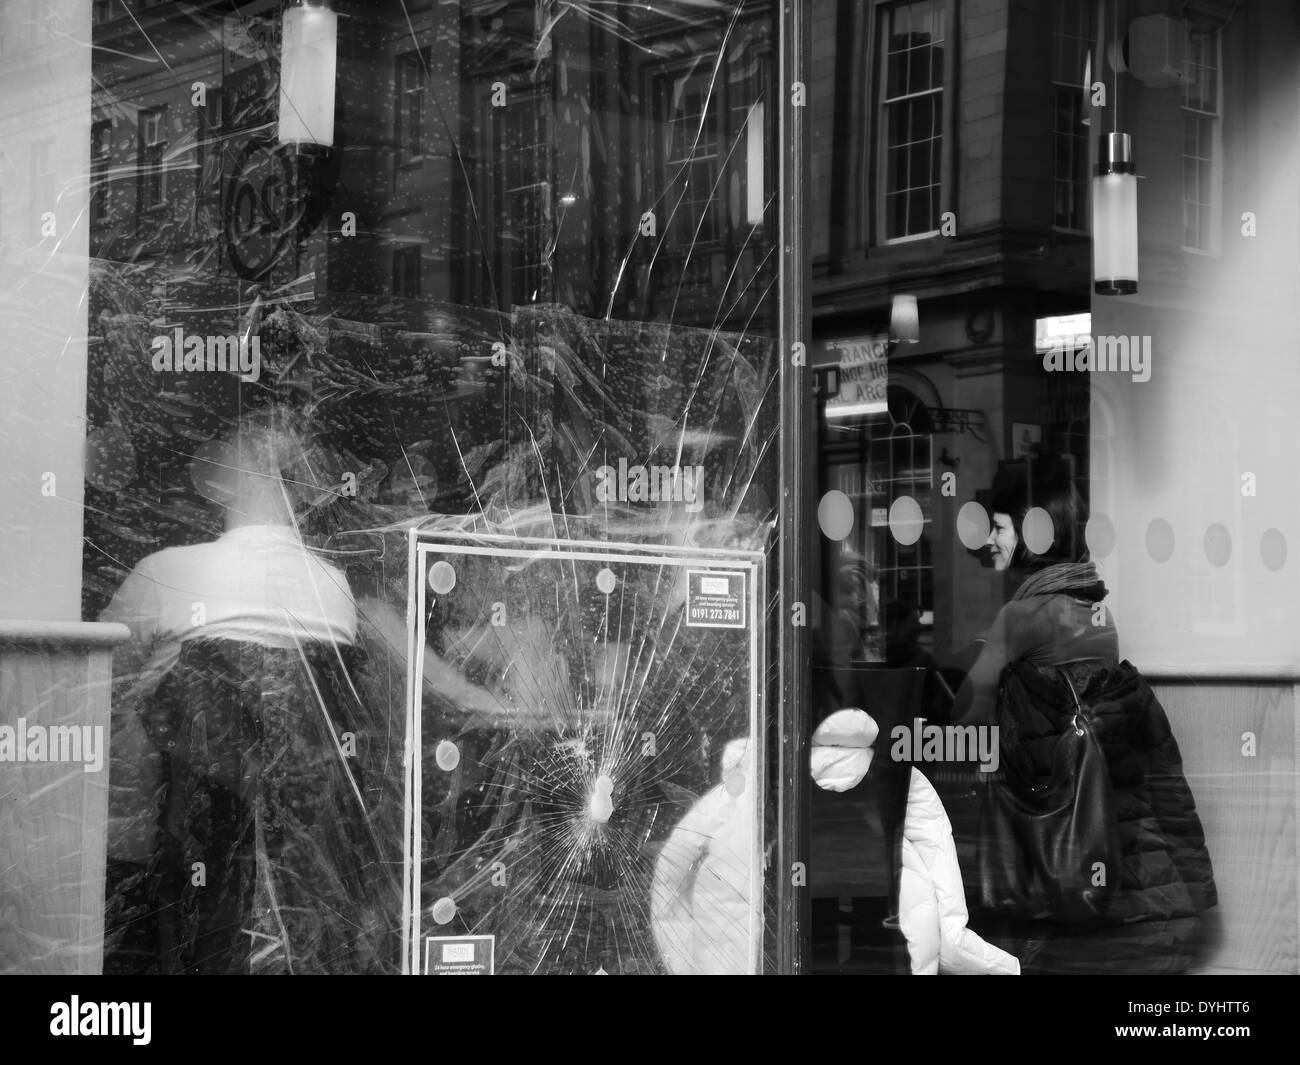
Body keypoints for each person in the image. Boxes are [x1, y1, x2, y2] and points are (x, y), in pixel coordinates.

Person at [101, 410, 399, 974]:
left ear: (241, 475)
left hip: (192, 862)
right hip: (306, 871)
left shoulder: (169, 572)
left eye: (221, 456)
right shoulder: (333, 587)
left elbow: (93, 690)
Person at [952, 462, 1216, 974]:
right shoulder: (1096, 608)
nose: (991, 540)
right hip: (1118, 845)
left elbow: (966, 714)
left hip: (1055, 842)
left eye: (1001, 526)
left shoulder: (1023, 615)